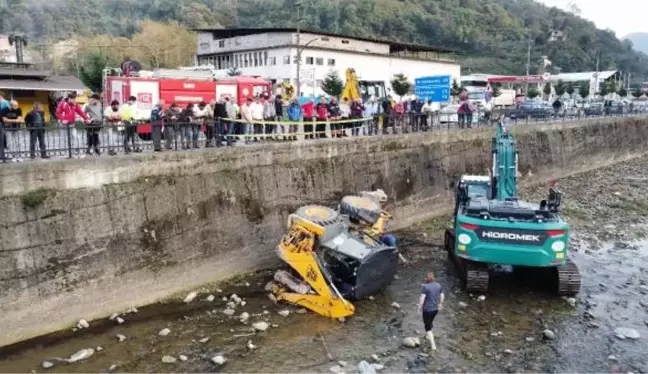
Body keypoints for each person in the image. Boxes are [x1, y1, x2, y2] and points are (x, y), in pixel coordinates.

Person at [418, 272, 445, 351]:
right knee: (430, 321)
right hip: (435, 309)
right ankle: (428, 336)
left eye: (425, 278)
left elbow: (422, 299)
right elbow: (442, 295)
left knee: (427, 327)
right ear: (433, 278)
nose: (424, 279)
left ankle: (433, 346)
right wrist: (440, 303)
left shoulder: (425, 287)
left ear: (426, 278)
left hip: (427, 310)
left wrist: (419, 307)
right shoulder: (438, 285)